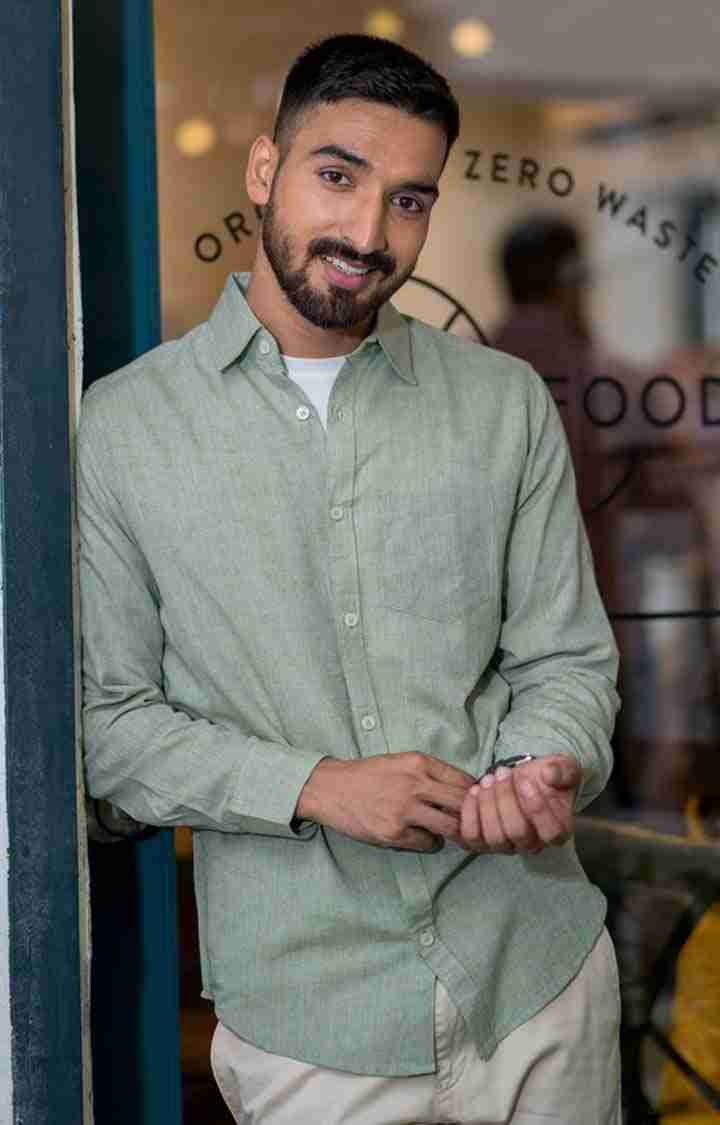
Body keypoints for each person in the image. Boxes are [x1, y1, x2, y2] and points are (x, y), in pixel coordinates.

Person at [78, 35, 621, 1125]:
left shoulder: (504, 404)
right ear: (264, 169)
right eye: (338, 175)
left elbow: (566, 663)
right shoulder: (124, 429)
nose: (369, 235)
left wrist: (540, 764)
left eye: (409, 200)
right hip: (312, 1031)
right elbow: (108, 729)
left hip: (539, 983)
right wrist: (317, 785)